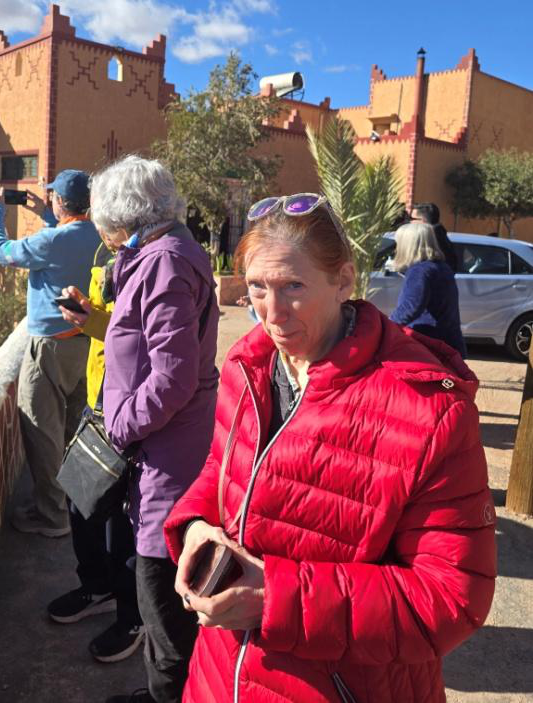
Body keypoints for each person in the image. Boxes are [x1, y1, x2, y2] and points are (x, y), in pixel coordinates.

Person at [163, 192, 495, 703]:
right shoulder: (247, 365)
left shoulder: (430, 409)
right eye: (256, 288)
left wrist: (274, 598)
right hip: (218, 676)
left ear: (344, 279)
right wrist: (194, 526)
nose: (272, 315)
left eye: (293, 286)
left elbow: (452, 598)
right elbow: (221, 469)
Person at [63, 155, 219, 703]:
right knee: (159, 597)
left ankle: (168, 695)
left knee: (161, 598)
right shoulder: (164, 255)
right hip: (162, 452)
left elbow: (172, 379)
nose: (104, 239)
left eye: (105, 228)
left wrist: (119, 428)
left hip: (165, 463)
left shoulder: (163, 263)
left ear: (123, 220)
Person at [0, 170, 98, 537]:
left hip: (49, 346)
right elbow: (70, 239)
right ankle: (79, 503)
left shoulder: (50, 241)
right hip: (85, 341)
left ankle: (52, 516)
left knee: (41, 429)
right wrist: (47, 216)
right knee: (75, 428)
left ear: (61, 201)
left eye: (53, 197)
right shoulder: (98, 235)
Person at [47, 240, 145, 664]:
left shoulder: (159, 261)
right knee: (80, 501)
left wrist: (92, 321)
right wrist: (86, 310)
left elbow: (139, 335)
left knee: (122, 522)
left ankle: (132, 616)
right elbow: (108, 315)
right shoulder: (107, 255)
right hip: (98, 401)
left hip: (129, 406)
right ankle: (97, 585)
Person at [390, 221, 467, 357]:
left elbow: (409, 308)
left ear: (407, 245)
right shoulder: (442, 267)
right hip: (449, 343)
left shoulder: (419, 271)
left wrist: (385, 326)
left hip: (428, 345)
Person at [411, 201, 458, 272]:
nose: (410, 222)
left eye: (413, 219)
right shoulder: (440, 236)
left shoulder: (433, 240)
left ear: (423, 220)